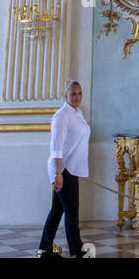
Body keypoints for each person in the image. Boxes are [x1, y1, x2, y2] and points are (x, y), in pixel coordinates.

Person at [38, 79, 90, 259]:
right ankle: (78, 251)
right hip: (63, 169)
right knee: (72, 211)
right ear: (65, 95)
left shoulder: (77, 113)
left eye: (79, 93)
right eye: (73, 93)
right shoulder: (62, 116)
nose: (77, 97)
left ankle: (44, 250)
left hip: (71, 169)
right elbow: (56, 147)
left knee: (57, 211)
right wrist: (59, 173)